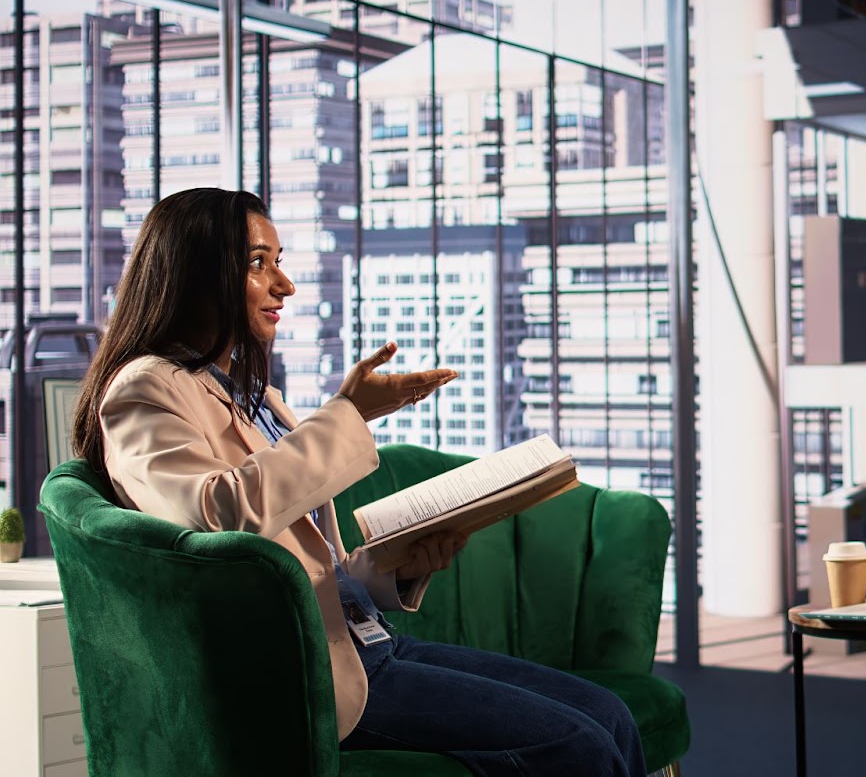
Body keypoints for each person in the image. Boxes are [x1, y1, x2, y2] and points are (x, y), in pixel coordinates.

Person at [70, 188, 647, 777]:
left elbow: (320, 570)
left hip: (368, 644)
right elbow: (216, 516)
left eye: (279, 261)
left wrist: (400, 565)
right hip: (308, 679)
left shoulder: (252, 397)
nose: (284, 285)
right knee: (580, 744)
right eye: (258, 263)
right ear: (194, 272)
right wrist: (348, 413)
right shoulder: (144, 390)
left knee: (612, 714)